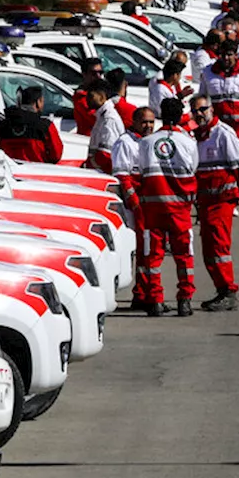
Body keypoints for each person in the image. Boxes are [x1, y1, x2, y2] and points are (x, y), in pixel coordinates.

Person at [136, 99, 200, 317]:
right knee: (183, 255)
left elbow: (142, 171)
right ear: (181, 115)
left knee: (153, 255)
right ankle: (185, 300)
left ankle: (155, 300)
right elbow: (193, 170)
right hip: (179, 208)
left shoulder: (146, 142)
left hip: (153, 207)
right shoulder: (188, 142)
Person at [191, 95, 239, 311]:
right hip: (205, 202)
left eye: (203, 109)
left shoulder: (223, 134)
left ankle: (228, 290)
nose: (200, 114)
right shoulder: (197, 136)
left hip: (222, 200)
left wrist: (238, 194)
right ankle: (221, 289)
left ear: (211, 109)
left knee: (219, 246)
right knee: (208, 249)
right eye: (196, 111)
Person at [111, 107, 162, 313]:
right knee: (144, 250)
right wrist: (136, 204)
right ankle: (144, 294)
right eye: (144, 122)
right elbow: (122, 176)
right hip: (136, 206)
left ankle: (142, 293)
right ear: (134, 122)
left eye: (151, 122)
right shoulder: (125, 142)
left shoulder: (152, 141)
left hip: (152, 202)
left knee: (148, 251)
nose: (148, 126)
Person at [198, 38, 239, 177]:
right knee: (218, 158)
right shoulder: (208, 72)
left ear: (236, 55)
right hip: (216, 126)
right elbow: (202, 98)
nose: (226, 58)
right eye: (223, 54)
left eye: (230, 54)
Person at [0, 86, 63, 163]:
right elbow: (56, 155)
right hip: (35, 171)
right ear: (38, 102)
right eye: (42, 101)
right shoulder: (45, 126)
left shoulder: (3, 125)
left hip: (9, 170)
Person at [86, 79, 125, 172]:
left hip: (104, 173)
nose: (87, 99)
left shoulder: (109, 119)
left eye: (90, 96)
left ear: (102, 97)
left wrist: (89, 164)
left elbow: (105, 155)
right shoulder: (102, 117)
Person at [148, 58, 193, 123]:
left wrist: (180, 95)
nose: (180, 78)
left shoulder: (168, 88)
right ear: (175, 75)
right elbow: (164, 112)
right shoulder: (160, 89)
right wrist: (188, 116)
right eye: (179, 74)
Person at [72, 57, 104, 135]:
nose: (98, 76)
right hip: (87, 140)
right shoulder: (81, 97)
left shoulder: (100, 91)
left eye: (100, 72)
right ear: (84, 74)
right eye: (94, 73)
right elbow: (97, 119)